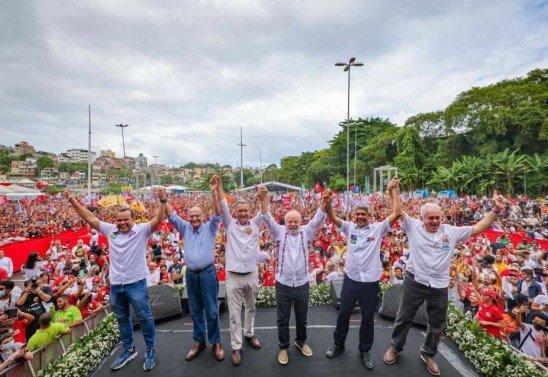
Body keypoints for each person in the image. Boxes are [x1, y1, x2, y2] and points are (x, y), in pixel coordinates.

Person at [383, 190, 507, 376]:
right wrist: (394, 191)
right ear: (422, 218)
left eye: (437, 217)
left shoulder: (451, 231)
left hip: (439, 285)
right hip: (415, 281)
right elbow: (398, 211)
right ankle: (395, 346)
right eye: (430, 218)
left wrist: (495, 210)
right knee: (404, 317)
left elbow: (477, 228)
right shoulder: (412, 226)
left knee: (437, 323)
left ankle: (428, 354)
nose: (434, 221)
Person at [65, 188, 167, 371]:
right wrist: (72, 201)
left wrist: (162, 201)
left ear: (132, 219)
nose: (122, 223)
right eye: (119, 220)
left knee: (144, 317)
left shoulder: (141, 231)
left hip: (136, 283)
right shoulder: (110, 230)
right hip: (116, 285)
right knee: (122, 318)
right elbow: (89, 217)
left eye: (125, 220)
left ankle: (150, 349)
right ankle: (129, 349)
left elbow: (158, 219)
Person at [324, 177, 401, 370]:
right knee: (344, 313)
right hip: (351, 279)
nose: (360, 217)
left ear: (369, 216)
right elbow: (333, 218)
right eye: (357, 214)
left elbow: (397, 213)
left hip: (370, 282)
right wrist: (329, 203)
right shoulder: (349, 228)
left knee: (368, 317)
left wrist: (393, 191)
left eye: (363, 215)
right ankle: (338, 344)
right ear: (353, 216)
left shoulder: (378, 228)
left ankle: (364, 350)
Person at [259, 187, 329, 365]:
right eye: (289, 221)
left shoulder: (307, 231)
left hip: (302, 283)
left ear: (300, 222)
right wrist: (263, 198)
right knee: (282, 318)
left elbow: (319, 217)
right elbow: (267, 216)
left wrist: (324, 200)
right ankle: (283, 347)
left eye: (295, 221)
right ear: (285, 222)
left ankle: (300, 342)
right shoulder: (278, 231)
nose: (292, 224)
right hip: (283, 283)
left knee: (302, 317)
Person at [165, 177, 225, 362]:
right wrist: (163, 200)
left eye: (197, 216)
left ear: (203, 217)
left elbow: (218, 214)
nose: (194, 219)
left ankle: (216, 342)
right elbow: (172, 215)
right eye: (191, 216)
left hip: (207, 274)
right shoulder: (185, 228)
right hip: (191, 275)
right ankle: (199, 341)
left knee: (212, 310)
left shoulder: (210, 227)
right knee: (195, 310)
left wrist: (214, 192)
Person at [214, 176, 266, 365]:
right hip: (233, 277)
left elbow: (265, 211)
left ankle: (249, 334)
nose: (243, 213)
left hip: (251, 274)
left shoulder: (256, 224)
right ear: (235, 213)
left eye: (246, 211)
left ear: (249, 212)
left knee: (251, 308)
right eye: (240, 211)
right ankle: (236, 347)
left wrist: (263, 196)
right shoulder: (229, 224)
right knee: (235, 314)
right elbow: (222, 204)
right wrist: (219, 186)